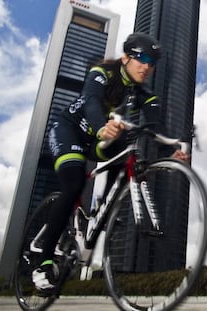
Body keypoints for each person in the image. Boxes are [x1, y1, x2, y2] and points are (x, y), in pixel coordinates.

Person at [32, 32, 189, 292]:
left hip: (98, 140)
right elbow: (91, 99)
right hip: (70, 129)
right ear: (126, 57)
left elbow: (153, 125)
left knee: (127, 148)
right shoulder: (104, 72)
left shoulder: (143, 92)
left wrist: (169, 149)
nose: (148, 66)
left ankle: (99, 212)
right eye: (143, 59)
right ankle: (44, 263)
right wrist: (101, 126)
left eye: (152, 62)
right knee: (73, 185)